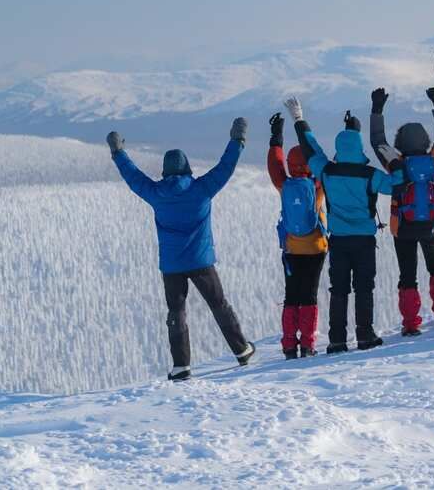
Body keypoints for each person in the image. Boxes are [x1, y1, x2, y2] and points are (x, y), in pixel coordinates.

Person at [106, 119, 255, 381]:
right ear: (187, 167)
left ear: (165, 170)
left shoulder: (156, 193)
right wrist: (237, 140)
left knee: (176, 312)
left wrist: (118, 153)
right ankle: (241, 349)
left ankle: (181, 366)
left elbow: (133, 176)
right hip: (201, 260)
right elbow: (225, 167)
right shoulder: (202, 189)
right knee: (218, 304)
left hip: (172, 265)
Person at [286, 97, 402, 352]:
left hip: (337, 240)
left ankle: (337, 339)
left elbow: (310, 149)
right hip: (363, 240)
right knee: (364, 288)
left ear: (339, 147)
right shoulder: (370, 175)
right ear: (359, 147)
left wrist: (299, 119)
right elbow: (397, 183)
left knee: (338, 289)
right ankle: (365, 336)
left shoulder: (327, 171)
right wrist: (394, 159)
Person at [369, 85, 434, 335]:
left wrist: (377, 109)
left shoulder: (396, 163)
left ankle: (411, 323)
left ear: (401, 142)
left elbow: (377, 142)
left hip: (403, 227)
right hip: (430, 224)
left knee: (407, 274)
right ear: (424, 141)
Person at [267, 112, 328, 358]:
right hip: (316, 246)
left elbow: (274, 165)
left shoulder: (284, 184)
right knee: (310, 295)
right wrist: (301, 123)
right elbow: (320, 157)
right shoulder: (317, 184)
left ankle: (290, 345)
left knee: (291, 295)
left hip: (292, 248)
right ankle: (308, 343)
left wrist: (276, 139)